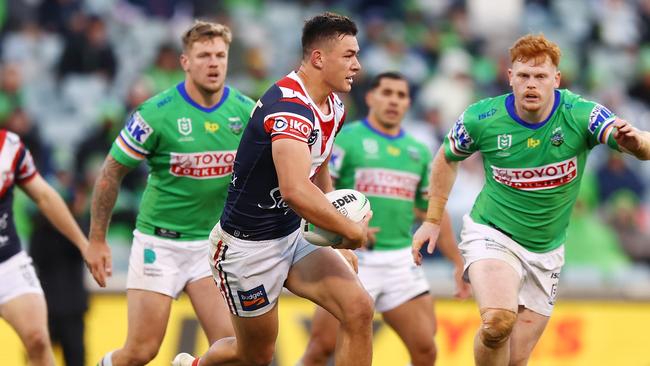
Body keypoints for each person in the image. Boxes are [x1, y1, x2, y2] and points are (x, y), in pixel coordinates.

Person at [411, 33, 650, 366]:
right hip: (492, 234)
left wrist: (636, 143)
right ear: (510, 78)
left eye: (540, 76)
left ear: (556, 79)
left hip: (546, 250)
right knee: (497, 323)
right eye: (523, 75)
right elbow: (445, 158)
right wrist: (433, 219)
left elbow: (641, 145)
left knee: (516, 359)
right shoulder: (482, 118)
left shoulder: (580, 114)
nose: (531, 84)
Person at [173, 12, 374, 366]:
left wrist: (329, 226)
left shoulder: (334, 106)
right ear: (317, 58)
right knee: (253, 355)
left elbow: (319, 161)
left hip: (292, 236)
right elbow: (295, 189)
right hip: (246, 249)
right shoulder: (289, 109)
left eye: (356, 55)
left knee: (359, 309)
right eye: (348, 55)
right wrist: (348, 232)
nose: (357, 65)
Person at [86, 20, 255, 366]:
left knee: (235, 351)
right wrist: (97, 240)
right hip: (159, 245)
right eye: (204, 55)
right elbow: (110, 173)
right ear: (185, 62)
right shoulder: (154, 114)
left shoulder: (246, 112)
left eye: (220, 55)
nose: (213, 63)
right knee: (141, 352)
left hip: (211, 247)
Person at [300, 72, 472, 366]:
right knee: (321, 347)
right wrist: (345, 232)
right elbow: (319, 192)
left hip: (399, 262)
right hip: (353, 258)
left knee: (425, 350)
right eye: (387, 92)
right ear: (370, 98)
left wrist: (457, 261)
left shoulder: (417, 152)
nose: (394, 100)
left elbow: (430, 212)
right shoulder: (347, 140)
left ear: (408, 103)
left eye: (401, 95)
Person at [0, 129, 90, 366]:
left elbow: (45, 197)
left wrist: (83, 243)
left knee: (38, 339)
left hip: (7, 260)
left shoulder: (9, 146)